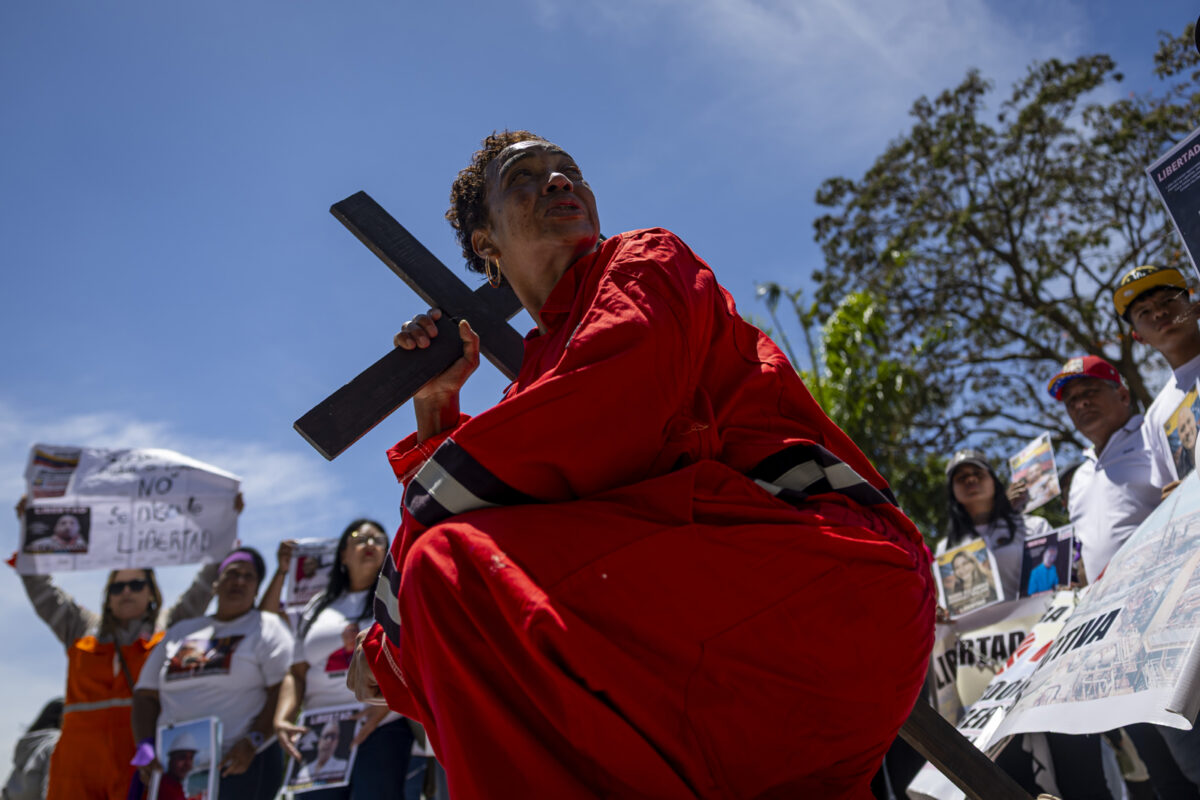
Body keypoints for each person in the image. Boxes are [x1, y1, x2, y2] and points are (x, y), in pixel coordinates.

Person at [348, 131, 935, 798]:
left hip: (824, 576)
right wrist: (436, 408)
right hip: (707, 659)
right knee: (467, 612)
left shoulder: (642, 263)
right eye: (525, 177)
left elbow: (600, 411)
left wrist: (389, 637)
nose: (559, 182)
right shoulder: (534, 387)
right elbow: (503, 525)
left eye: (568, 170)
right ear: (485, 243)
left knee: (447, 571)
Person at [11, 497, 225, 800]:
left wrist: (224, 525)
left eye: (136, 585)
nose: (126, 592)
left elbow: (203, 587)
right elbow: (40, 588)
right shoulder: (80, 628)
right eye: (117, 587)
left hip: (136, 765)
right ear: (108, 596)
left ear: (151, 592)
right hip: (76, 770)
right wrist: (29, 529)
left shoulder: (169, 630)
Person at [132, 547, 292, 800]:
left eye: (249, 576)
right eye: (232, 573)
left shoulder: (267, 628)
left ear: (257, 589)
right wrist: (146, 745)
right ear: (216, 583)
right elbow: (145, 694)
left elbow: (283, 688)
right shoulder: (181, 631)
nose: (239, 581)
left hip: (238, 767)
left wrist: (253, 740)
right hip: (174, 772)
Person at [274, 520, 417, 800]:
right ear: (342, 554)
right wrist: (283, 718)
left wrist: (387, 706)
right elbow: (297, 672)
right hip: (318, 733)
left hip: (380, 729)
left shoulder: (398, 596)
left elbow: (413, 655)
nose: (370, 544)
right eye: (360, 538)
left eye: (378, 539)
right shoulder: (317, 605)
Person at [1114, 265, 1200, 498]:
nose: (1159, 313)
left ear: (1195, 308)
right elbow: (1170, 491)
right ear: (1138, 337)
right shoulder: (1154, 418)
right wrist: (1174, 498)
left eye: (1168, 301)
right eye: (1144, 312)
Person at [941, 449, 1053, 602]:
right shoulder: (945, 549)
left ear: (993, 481)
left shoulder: (1034, 527)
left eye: (978, 473)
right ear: (952, 491)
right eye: (961, 478)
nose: (971, 480)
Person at [2, 698, 62, 800]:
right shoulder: (57, 744)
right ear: (62, 717)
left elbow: (8, 790)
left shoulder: (31, 743)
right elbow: (51, 792)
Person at [156, 733, 199, 800]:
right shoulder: (163, 788)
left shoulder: (175, 785)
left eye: (191, 758)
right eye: (182, 757)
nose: (188, 764)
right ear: (171, 760)